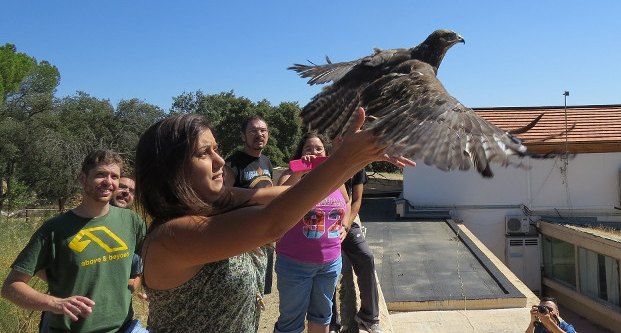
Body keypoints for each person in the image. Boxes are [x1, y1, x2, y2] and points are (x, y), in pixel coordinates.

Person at [134, 109, 413, 333]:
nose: (219, 161)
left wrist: (357, 159)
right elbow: (273, 222)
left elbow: (289, 195)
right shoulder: (172, 236)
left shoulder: (222, 202)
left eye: (216, 149)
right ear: (171, 169)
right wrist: (345, 157)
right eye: (203, 153)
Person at [1, 150, 147, 333]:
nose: (108, 182)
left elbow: (152, 260)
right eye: (101, 174)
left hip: (125, 328)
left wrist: (150, 288)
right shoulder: (54, 229)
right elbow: (11, 287)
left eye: (114, 176)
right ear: (82, 178)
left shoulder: (131, 221)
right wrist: (54, 303)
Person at [274, 132, 348, 333]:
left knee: (322, 316)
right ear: (301, 153)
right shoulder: (290, 175)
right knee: (290, 323)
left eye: (318, 149)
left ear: (325, 153)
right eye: (309, 149)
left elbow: (346, 202)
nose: (314, 153)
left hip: (330, 263)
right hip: (295, 264)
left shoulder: (335, 176)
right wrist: (300, 172)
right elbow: (278, 201)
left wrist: (345, 226)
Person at [330, 135, 382, 333]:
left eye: (348, 136)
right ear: (332, 139)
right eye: (339, 136)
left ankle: (368, 316)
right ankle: (330, 322)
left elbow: (357, 199)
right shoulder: (324, 161)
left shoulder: (357, 164)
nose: (343, 140)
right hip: (324, 225)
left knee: (366, 257)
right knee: (328, 269)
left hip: (346, 223)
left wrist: (346, 225)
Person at [224, 115, 276, 294]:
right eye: (253, 131)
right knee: (243, 291)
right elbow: (224, 198)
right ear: (243, 136)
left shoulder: (266, 161)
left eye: (263, 130)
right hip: (243, 238)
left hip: (265, 236)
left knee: (261, 290)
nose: (259, 134)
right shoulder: (232, 163)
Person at [110, 175, 145, 296]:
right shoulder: (90, 217)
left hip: (119, 300)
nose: (126, 192)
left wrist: (136, 278)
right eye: (122, 187)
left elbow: (143, 255)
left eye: (132, 191)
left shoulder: (136, 222)